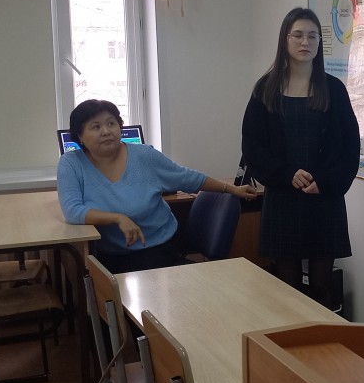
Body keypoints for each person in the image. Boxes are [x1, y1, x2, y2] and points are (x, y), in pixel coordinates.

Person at [241, 7, 360, 308]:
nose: (305, 42)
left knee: (322, 285)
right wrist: (286, 173)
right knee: (287, 288)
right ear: (285, 40)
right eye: (297, 35)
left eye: (312, 36)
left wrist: (325, 181)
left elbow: (350, 149)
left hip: (324, 200)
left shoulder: (334, 90)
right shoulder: (266, 89)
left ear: (319, 42)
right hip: (283, 200)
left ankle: (323, 338)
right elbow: (252, 147)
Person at [57, 99, 257, 274]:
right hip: (107, 252)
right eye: (96, 127)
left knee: (116, 287)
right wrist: (117, 218)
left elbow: (186, 177)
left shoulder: (144, 155)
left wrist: (231, 189)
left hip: (155, 247)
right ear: (79, 136)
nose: (106, 131)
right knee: (88, 277)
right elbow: (73, 211)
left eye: (111, 123)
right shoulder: (71, 163)